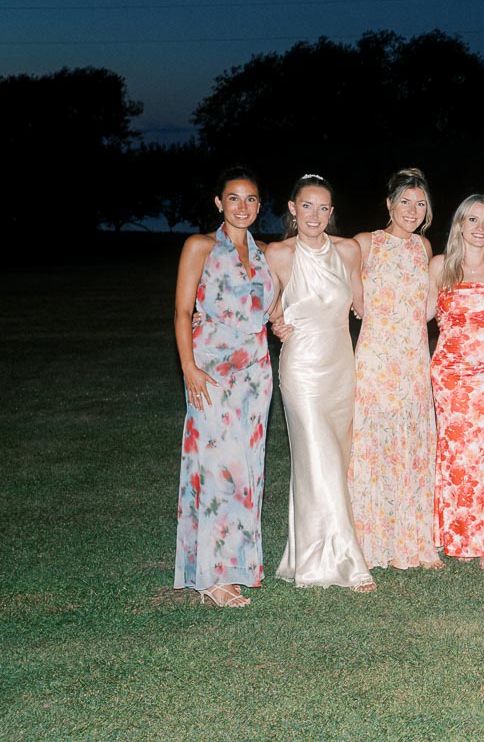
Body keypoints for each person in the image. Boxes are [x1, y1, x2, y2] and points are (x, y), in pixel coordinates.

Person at [266, 174, 375, 592]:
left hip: (340, 368)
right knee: (319, 458)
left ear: (332, 212)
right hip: (303, 371)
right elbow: (260, 303)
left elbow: (363, 303)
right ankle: (345, 562)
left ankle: (304, 556)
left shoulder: (347, 250)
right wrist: (270, 320)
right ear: (293, 209)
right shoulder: (278, 254)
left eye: (323, 208)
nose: (315, 215)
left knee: (334, 460)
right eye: (306, 206)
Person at [173, 165, 276, 608]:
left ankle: (240, 567)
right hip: (211, 370)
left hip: (256, 373)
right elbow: (181, 313)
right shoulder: (199, 246)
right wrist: (190, 369)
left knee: (248, 470)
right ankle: (213, 575)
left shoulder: (267, 252)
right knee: (217, 468)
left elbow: (274, 306)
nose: (243, 206)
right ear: (219, 202)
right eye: (233, 198)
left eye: (251, 199)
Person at [347, 168, 441, 571]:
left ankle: (413, 541)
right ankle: (370, 541)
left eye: (420, 204)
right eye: (404, 202)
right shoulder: (364, 244)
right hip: (376, 357)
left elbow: (432, 306)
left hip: (414, 358)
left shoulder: (424, 248)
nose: (412, 210)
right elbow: (342, 292)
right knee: (374, 444)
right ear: (388, 204)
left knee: (412, 447)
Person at [429, 194, 484, 573]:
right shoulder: (440, 267)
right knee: (456, 458)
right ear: (459, 225)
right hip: (453, 379)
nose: (480, 229)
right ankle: (449, 535)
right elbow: (417, 316)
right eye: (472, 220)